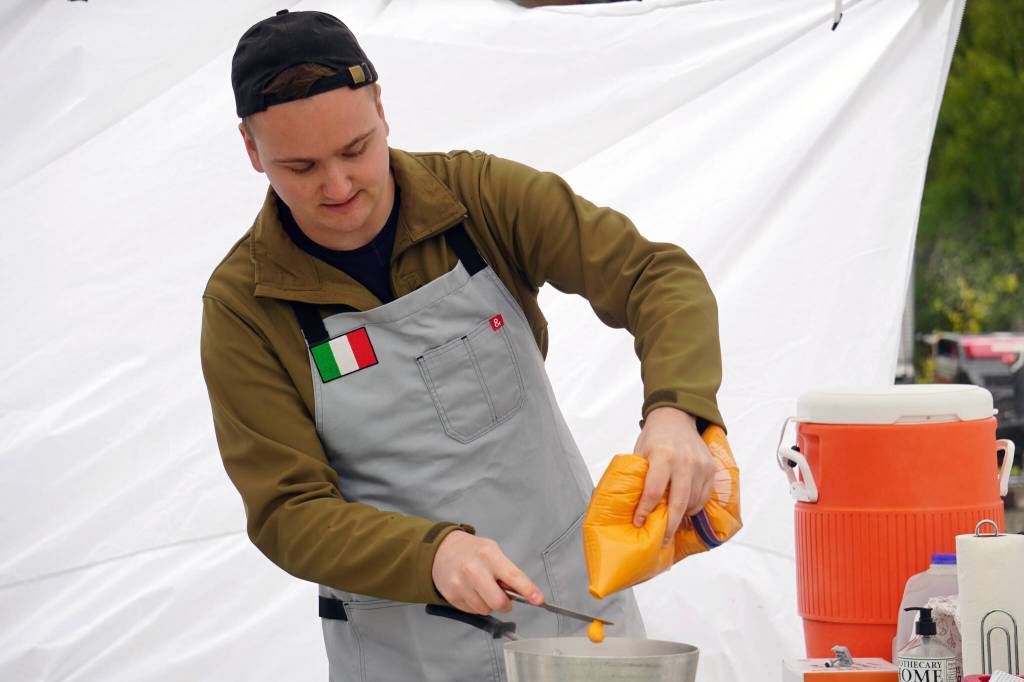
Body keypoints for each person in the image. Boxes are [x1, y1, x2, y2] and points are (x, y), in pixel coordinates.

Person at [201, 9, 725, 682]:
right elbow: (287, 511)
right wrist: (431, 553)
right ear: (251, 149)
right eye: (299, 167)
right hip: (404, 653)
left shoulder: (478, 200)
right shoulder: (245, 305)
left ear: (382, 110)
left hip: (574, 620)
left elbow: (657, 277)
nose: (337, 187)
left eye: (356, 149)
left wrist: (677, 411)